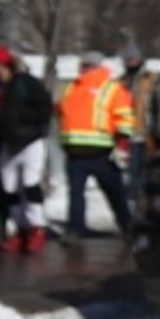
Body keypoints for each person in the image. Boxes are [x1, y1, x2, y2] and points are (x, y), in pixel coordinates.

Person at [0, 44, 56, 251]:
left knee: (30, 184)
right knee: (9, 187)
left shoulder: (25, 83)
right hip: (6, 143)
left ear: (0, 64)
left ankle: (37, 228)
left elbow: (45, 109)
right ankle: (21, 229)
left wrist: (20, 120)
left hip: (29, 140)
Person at [56, 52, 140, 239]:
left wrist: (122, 143)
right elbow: (61, 111)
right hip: (81, 151)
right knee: (85, 193)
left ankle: (124, 225)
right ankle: (78, 228)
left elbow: (125, 117)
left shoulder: (109, 88)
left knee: (110, 191)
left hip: (99, 151)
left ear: (96, 66)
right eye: (83, 64)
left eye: (86, 65)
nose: (83, 68)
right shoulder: (73, 87)